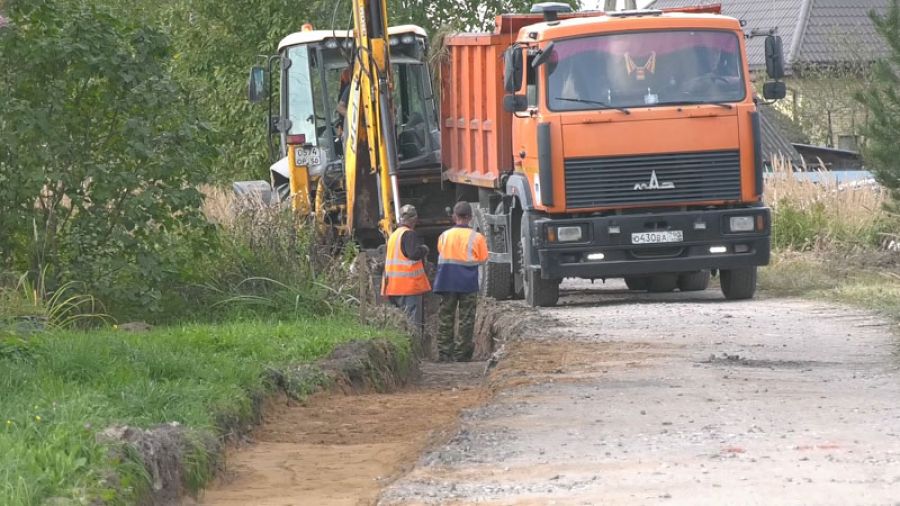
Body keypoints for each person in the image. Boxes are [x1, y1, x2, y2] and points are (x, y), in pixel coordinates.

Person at [433, 201, 488, 362]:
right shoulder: (477, 237)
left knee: (446, 317)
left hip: (446, 281)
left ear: (454, 217)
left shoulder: (444, 236)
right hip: (467, 283)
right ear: (470, 217)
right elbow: (483, 258)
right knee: (466, 318)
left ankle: (444, 353)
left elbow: (440, 252)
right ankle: (461, 354)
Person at [382, 204, 431, 337]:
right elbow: (413, 253)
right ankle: (416, 352)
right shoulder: (408, 234)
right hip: (408, 288)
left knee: (400, 325)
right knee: (412, 325)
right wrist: (424, 249)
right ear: (413, 220)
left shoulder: (394, 236)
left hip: (394, 287)